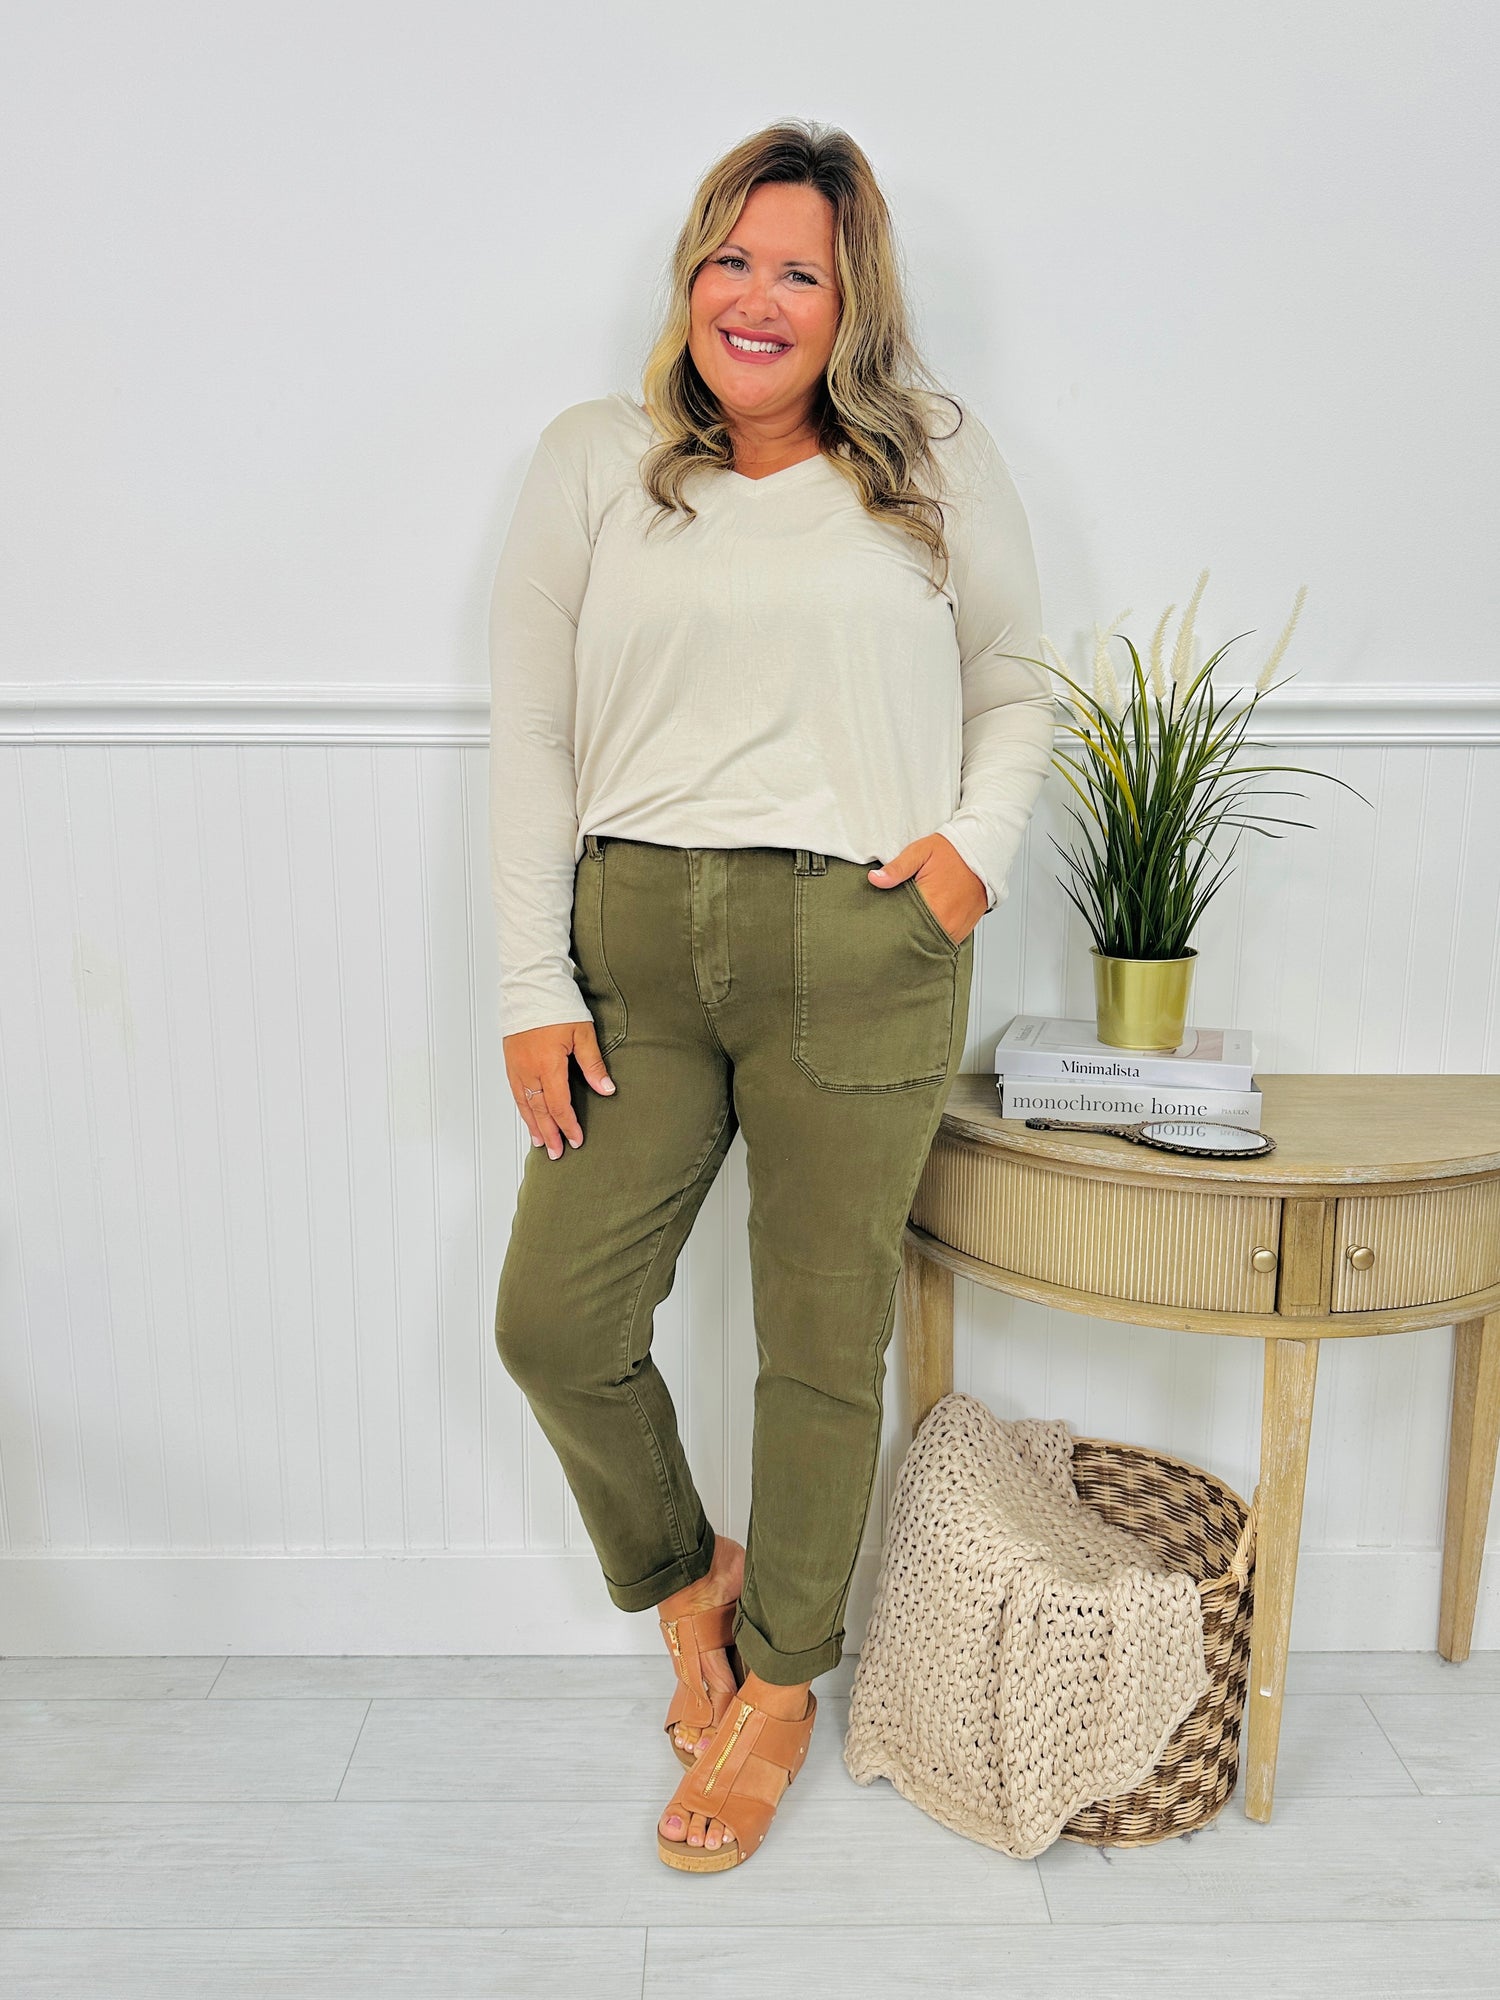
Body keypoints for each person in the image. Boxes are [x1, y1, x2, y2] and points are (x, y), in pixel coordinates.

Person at [488, 117, 1054, 1872]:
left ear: (850, 301)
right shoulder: (597, 462)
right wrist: (529, 981)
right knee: (555, 1323)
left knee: (820, 1345)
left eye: (798, 269)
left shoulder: (929, 458)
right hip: (634, 952)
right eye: (730, 257)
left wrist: (967, 863)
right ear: (691, 278)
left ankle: (786, 1681)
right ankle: (694, 1582)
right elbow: (533, 735)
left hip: (861, 942)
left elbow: (1017, 681)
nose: (756, 294)